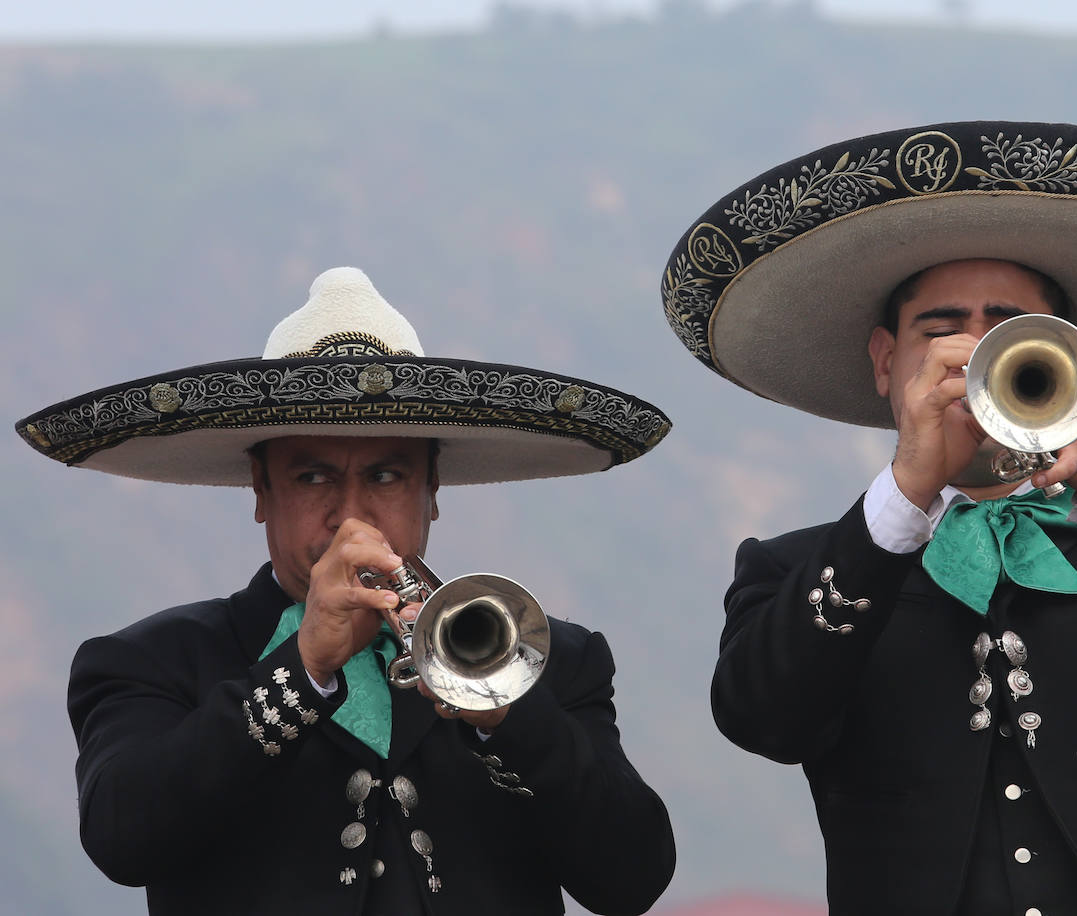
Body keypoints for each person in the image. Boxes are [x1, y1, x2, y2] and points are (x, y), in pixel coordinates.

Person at [659, 121, 1077, 914]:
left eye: (1010, 329)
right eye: (943, 327)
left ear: (1071, 357)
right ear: (887, 363)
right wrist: (904, 494)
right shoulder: (798, 570)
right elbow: (763, 721)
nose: (977, 354)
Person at [17, 267, 676, 915]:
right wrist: (303, 668)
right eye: (311, 477)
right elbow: (122, 841)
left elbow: (632, 880)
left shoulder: (550, 657)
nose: (350, 516)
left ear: (432, 492)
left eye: (387, 475)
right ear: (260, 489)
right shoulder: (151, 659)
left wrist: (506, 715)